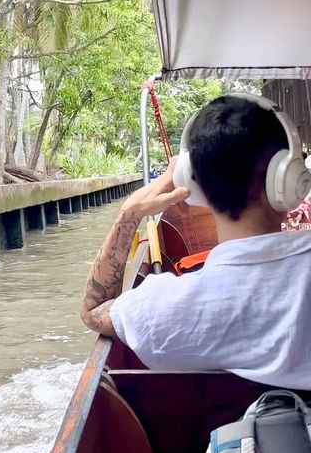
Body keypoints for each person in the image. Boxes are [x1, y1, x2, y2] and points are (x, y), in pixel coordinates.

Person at [80, 95, 311, 389]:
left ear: (191, 185)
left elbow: (92, 310)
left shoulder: (161, 309)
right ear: (289, 179)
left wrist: (127, 216)